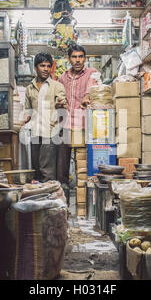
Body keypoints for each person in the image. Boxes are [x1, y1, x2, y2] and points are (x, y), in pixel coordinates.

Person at [57, 44, 100, 203]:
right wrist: (59, 102)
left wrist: (88, 96)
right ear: (69, 59)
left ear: (85, 58)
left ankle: (86, 197)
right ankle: (63, 197)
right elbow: (59, 95)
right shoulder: (63, 77)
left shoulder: (92, 73)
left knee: (83, 161)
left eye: (80, 57)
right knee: (62, 162)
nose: (77, 60)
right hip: (66, 123)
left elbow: (92, 86)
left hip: (84, 124)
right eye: (74, 57)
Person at [24, 53, 67, 182]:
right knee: (36, 170)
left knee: (47, 171)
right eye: (42, 66)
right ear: (36, 68)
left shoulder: (56, 86)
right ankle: (39, 199)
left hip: (50, 132)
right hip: (35, 133)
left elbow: (62, 105)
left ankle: (49, 198)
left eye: (48, 66)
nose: (46, 69)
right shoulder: (29, 88)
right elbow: (28, 111)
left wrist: (60, 105)